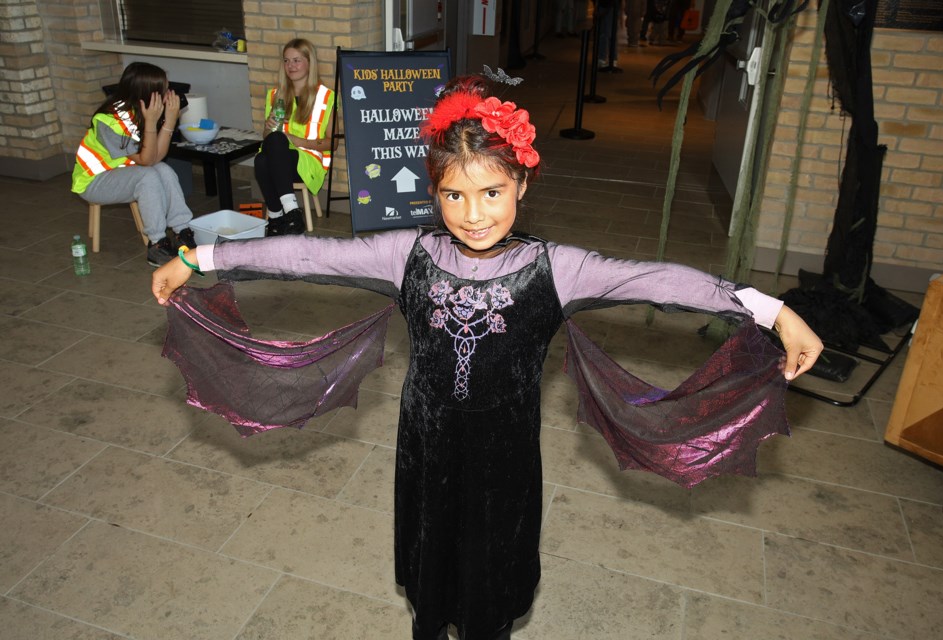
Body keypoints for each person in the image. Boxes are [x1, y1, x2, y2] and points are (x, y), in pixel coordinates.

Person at [152, 75, 823, 640]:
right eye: (453, 195)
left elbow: (657, 280)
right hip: (426, 445)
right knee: (431, 566)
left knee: (489, 577)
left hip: (504, 456)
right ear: (435, 191)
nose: (473, 214)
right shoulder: (406, 254)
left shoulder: (557, 268)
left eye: (492, 193)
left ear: (522, 185)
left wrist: (772, 310)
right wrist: (201, 257)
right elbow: (306, 254)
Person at [72, 62, 195, 267]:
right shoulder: (109, 120)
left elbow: (156, 158)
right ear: (149, 93)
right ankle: (156, 244)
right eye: (164, 89)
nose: (168, 93)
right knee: (147, 176)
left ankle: (182, 231)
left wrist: (169, 121)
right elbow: (146, 161)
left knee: (163, 170)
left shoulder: (140, 111)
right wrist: (153, 122)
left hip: (123, 174)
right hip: (93, 182)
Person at [256, 37, 337, 236]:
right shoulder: (275, 95)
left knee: (269, 152)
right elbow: (268, 138)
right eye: (286, 61)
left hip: (308, 163)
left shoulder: (326, 97)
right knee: (262, 157)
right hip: (278, 158)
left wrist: (296, 140)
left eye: (296, 60)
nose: (290, 66)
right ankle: (284, 215)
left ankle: (281, 215)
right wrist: (267, 128)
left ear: (310, 63)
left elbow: (332, 143)